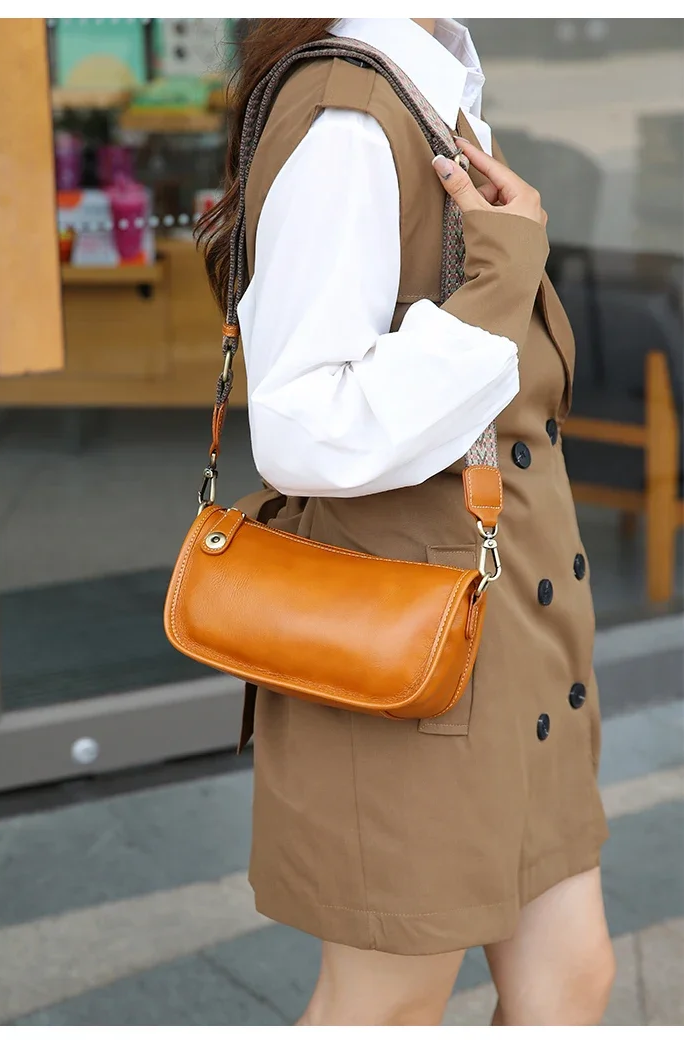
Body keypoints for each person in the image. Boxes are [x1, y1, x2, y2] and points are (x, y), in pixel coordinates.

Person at [197, 17, 614, 1027]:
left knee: (570, 982)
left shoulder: (429, 89)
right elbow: (303, 427)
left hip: (509, 634)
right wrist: (501, 278)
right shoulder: (347, 116)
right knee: (384, 1006)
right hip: (412, 659)